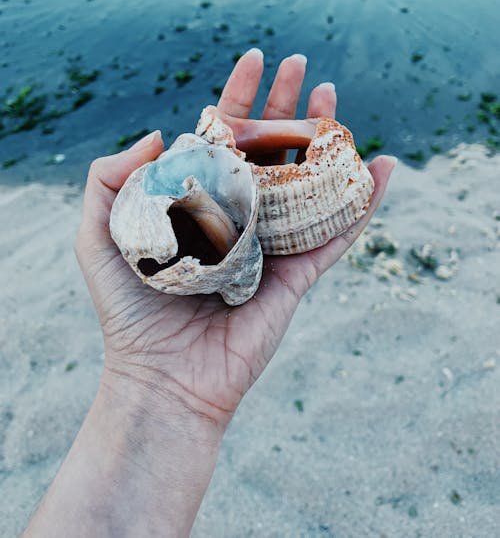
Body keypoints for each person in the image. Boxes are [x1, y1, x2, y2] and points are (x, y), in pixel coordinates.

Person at [23, 49, 395, 537]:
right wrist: (152, 382)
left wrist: (148, 385)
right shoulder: (209, 258)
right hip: (210, 264)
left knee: (256, 144)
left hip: (219, 250)